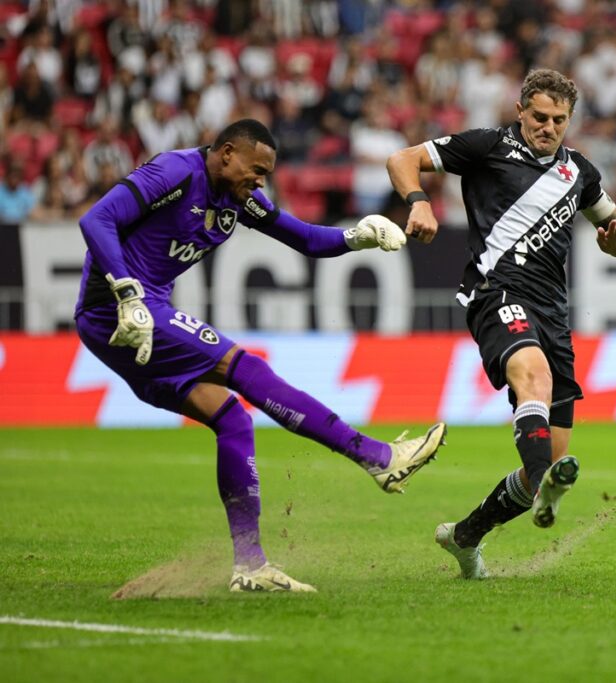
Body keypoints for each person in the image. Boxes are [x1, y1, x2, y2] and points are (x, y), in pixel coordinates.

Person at [75, 119, 447, 593]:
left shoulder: (237, 198)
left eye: (266, 174)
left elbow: (304, 238)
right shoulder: (174, 172)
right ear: (227, 152)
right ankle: (377, 457)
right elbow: (96, 220)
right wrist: (128, 293)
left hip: (143, 317)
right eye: (256, 170)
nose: (260, 182)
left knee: (233, 420)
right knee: (246, 368)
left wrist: (357, 237)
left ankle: (250, 566)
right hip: (118, 309)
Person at [386, 69, 616, 579]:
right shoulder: (487, 146)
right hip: (496, 293)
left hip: (553, 314)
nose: (549, 127)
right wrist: (419, 202)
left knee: (544, 459)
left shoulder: (580, 172)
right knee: (533, 379)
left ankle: (465, 536)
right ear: (521, 110)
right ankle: (548, 483)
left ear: (570, 120)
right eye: (540, 117)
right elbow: (402, 159)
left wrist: (615, 243)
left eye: (559, 120)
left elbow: (612, 229)